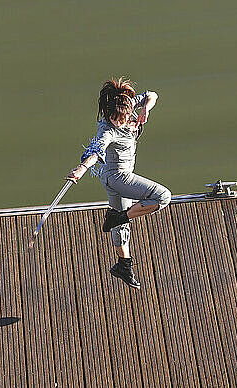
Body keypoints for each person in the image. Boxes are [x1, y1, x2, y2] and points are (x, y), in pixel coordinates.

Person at [67, 77, 171, 289]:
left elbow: (152, 95)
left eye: (121, 119)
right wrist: (82, 168)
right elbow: (97, 150)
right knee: (163, 197)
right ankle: (118, 217)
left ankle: (123, 265)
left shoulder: (131, 106)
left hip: (118, 177)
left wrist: (146, 110)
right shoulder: (106, 130)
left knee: (121, 226)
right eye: (114, 119)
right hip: (118, 178)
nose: (119, 123)